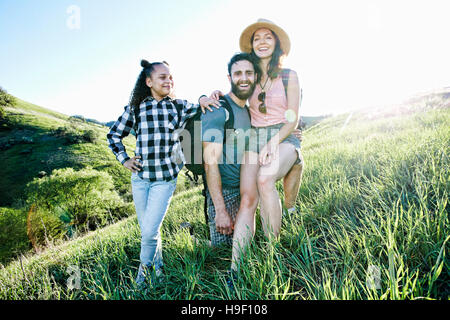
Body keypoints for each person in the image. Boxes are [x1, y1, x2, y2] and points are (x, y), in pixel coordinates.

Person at [107, 60, 218, 286]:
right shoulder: (135, 108)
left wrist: (204, 97)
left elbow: (199, 105)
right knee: (150, 231)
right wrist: (124, 159)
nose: (169, 80)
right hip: (140, 180)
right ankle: (158, 272)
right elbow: (113, 136)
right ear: (148, 82)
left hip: (164, 180)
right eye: (162, 77)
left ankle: (143, 275)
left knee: (148, 232)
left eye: (170, 77)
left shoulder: (177, 106)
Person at [231, 19, 304, 273]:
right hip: (254, 140)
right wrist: (206, 97)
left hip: (284, 136)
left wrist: (274, 141)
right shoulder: (248, 77)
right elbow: (230, 97)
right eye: (257, 38)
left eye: (268, 37)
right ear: (251, 46)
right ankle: (235, 269)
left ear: (277, 44)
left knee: (265, 179)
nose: (262, 42)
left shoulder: (289, 76)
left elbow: (292, 116)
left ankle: (273, 253)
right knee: (248, 199)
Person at [201, 52, 258, 246]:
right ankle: (195, 237)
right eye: (238, 73)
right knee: (222, 251)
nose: (243, 78)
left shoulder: (251, 111)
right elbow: (210, 163)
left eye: (249, 73)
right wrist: (220, 211)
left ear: (255, 77)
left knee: (250, 244)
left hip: (247, 190)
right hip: (223, 193)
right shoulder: (218, 110)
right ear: (229, 78)